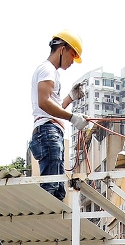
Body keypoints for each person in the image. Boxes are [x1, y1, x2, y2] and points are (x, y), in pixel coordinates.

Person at [30, 30, 87, 200]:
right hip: (48, 132)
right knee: (51, 187)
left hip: (51, 132)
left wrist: (70, 98)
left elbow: (52, 107)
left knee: (58, 191)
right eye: (72, 55)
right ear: (62, 49)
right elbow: (44, 102)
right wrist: (72, 118)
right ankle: (46, 217)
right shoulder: (47, 69)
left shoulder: (51, 72)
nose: (72, 61)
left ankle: (53, 216)